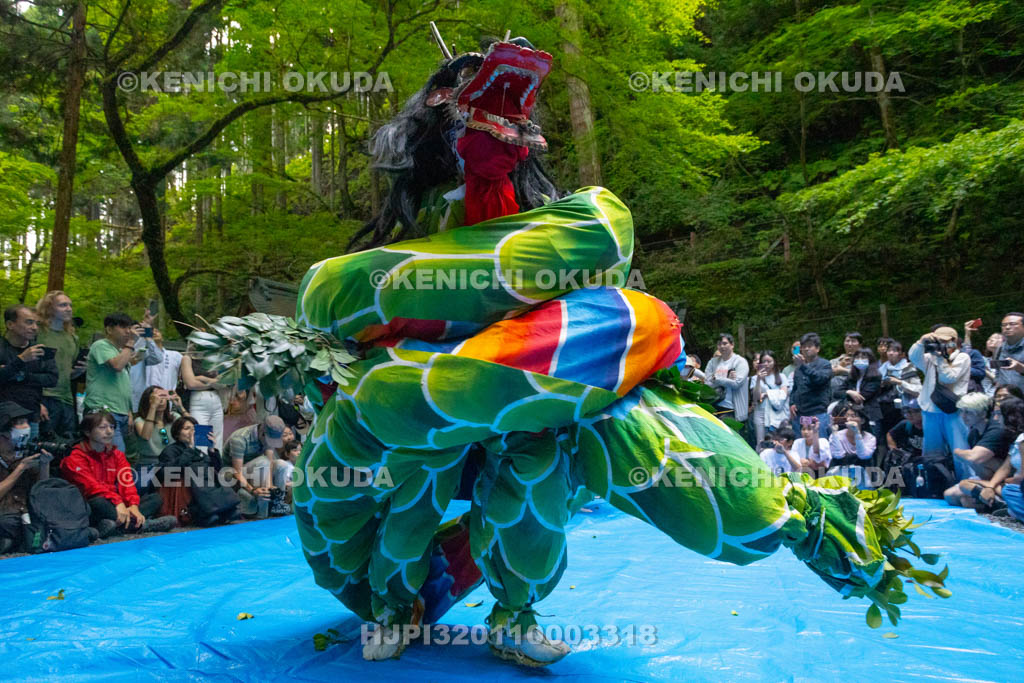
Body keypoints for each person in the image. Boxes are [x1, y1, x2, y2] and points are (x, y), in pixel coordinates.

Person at [60, 411, 177, 538]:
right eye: (102, 427)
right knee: (98, 503)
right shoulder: (74, 456)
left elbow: (126, 482)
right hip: (90, 502)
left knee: (155, 498)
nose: (109, 431)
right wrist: (118, 503)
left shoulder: (116, 454)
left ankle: (114, 526)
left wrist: (133, 505)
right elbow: (92, 487)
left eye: (112, 427)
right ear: (88, 432)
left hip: (116, 503)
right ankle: (143, 526)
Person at [83, 313, 160, 453]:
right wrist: (131, 342)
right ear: (109, 329)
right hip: (103, 410)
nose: (128, 331)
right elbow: (117, 366)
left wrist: (129, 412)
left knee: (121, 456)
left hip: (121, 411)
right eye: (123, 327)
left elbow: (123, 384)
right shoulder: (101, 345)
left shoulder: (120, 351)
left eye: (130, 327)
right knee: (115, 455)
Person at [908, 326, 971, 480]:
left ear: (953, 342)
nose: (940, 344)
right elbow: (914, 358)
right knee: (931, 452)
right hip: (930, 410)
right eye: (937, 341)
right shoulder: (931, 358)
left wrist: (941, 358)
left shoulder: (962, 358)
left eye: (943, 341)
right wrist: (921, 342)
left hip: (952, 410)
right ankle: (934, 484)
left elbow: (948, 378)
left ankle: (967, 483)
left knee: (959, 450)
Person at [954, 397, 1024, 512]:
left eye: (999, 414)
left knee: (1006, 490)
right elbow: (1005, 468)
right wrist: (991, 487)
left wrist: (1001, 484)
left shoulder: (1022, 439)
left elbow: (1021, 477)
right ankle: (998, 503)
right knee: (964, 485)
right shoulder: (1015, 439)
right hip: (1011, 484)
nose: (996, 418)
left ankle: (1005, 506)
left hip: (1016, 487)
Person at [0, 402, 52, 554]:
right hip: (6, 513)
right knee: (6, 522)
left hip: (25, 511)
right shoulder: (21, 461)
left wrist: (44, 466)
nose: (26, 427)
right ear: (4, 433)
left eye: (27, 422)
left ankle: (14, 541)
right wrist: (20, 468)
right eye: (20, 423)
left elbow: (41, 491)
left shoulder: (26, 453)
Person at [0, 305, 58, 439]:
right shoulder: (2, 348)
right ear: (10, 324)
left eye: (36, 323)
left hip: (32, 414)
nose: (35, 328)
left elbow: (52, 379)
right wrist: (21, 360)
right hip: (4, 416)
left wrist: (22, 376)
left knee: (31, 457)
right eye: (29, 322)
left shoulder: (40, 350)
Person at [35, 291, 85, 439]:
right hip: (44, 397)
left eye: (70, 305)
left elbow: (67, 372)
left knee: (66, 445)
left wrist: (78, 371)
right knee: (44, 444)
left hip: (67, 398)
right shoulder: (37, 333)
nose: (69, 309)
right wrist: (36, 402)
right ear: (49, 308)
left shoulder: (72, 337)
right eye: (63, 305)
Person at [222, 414, 285, 516]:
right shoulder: (240, 438)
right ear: (262, 433)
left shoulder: (268, 434)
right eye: (270, 440)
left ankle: (277, 503)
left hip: (255, 469)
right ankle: (262, 515)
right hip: (231, 475)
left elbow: (269, 463)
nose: (271, 444)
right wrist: (253, 490)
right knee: (262, 462)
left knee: (282, 464)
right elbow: (236, 472)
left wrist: (270, 487)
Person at [133, 386, 187, 485]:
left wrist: (181, 407)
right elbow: (146, 436)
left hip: (172, 464)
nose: (161, 401)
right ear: (148, 401)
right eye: (157, 398)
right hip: (148, 465)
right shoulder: (139, 421)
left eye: (163, 397)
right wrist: (153, 407)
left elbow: (194, 428)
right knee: (141, 487)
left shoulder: (175, 417)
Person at [789, 333, 833, 438]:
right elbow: (795, 388)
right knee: (801, 443)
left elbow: (820, 379)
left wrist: (803, 366)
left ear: (817, 349)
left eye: (810, 346)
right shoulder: (799, 368)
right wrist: (792, 403)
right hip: (801, 413)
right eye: (804, 347)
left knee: (820, 444)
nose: (806, 349)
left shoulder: (825, 364)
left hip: (817, 412)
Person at [181, 346, 224, 452]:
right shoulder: (187, 358)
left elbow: (223, 383)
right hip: (198, 399)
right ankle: (201, 465)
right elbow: (190, 383)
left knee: (216, 439)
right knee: (200, 439)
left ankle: (216, 466)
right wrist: (213, 383)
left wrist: (203, 379)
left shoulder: (215, 358)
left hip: (216, 398)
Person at [827, 402, 877, 487]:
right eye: (847, 416)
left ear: (862, 420)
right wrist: (834, 433)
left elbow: (863, 456)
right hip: (840, 473)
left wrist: (857, 433)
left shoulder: (870, 438)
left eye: (853, 416)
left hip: (863, 474)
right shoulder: (836, 435)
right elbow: (838, 455)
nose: (849, 419)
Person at [131, 327, 182, 411]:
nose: (154, 332)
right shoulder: (143, 354)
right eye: (151, 332)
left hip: (167, 398)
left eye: (157, 331)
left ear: (162, 336)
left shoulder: (175, 355)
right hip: (147, 397)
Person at [704, 333, 749, 423]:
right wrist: (727, 379)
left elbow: (737, 383)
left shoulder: (740, 362)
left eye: (725, 343)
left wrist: (717, 378)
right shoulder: (713, 362)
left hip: (732, 409)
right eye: (719, 344)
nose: (722, 346)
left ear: (732, 345)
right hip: (714, 404)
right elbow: (707, 382)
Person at [842, 349, 883, 448]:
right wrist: (849, 392)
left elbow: (863, 396)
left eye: (863, 357)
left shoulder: (876, 376)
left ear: (870, 359)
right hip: (852, 415)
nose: (860, 360)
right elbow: (837, 392)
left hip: (870, 414)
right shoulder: (851, 376)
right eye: (857, 357)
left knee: (870, 444)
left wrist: (849, 394)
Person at [750, 350, 790, 445]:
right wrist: (759, 380)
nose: (766, 364)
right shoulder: (755, 378)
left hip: (777, 413)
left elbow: (783, 395)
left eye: (769, 361)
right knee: (761, 442)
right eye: (764, 361)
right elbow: (755, 397)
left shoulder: (781, 377)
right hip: (760, 413)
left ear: (774, 362)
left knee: (778, 441)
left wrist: (767, 394)